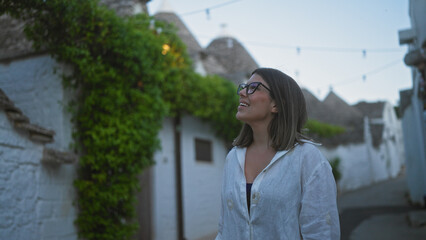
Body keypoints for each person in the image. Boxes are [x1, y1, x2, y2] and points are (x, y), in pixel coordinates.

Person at [215, 68, 340, 240]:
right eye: (244, 87)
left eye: (254, 88)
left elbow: (322, 232)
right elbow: (225, 229)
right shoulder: (233, 158)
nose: (242, 92)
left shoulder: (307, 159)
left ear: (277, 105)